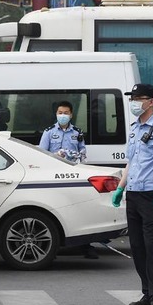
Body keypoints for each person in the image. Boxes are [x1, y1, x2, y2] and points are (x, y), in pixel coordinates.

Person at [111, 84, 153, 305]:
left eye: (139, 98)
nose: (134, 102)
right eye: (132, 98)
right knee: (137, 247)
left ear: (152, 102)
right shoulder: (134, 129)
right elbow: (131, 162)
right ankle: (147, 292)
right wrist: (120, 188)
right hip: (134, 194)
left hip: (152, 195)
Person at [38, 101, 95, 258]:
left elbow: (83, 152)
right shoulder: (49, 132)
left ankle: (86, 245)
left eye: (65, 113)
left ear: (71, 114)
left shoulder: (77, 132)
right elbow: (41, 154)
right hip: (53, 177)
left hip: (73, 175)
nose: (62, 115)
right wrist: (56, 156)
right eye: (59, 112)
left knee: (78, 207)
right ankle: (51, 248)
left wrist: (78, 155)